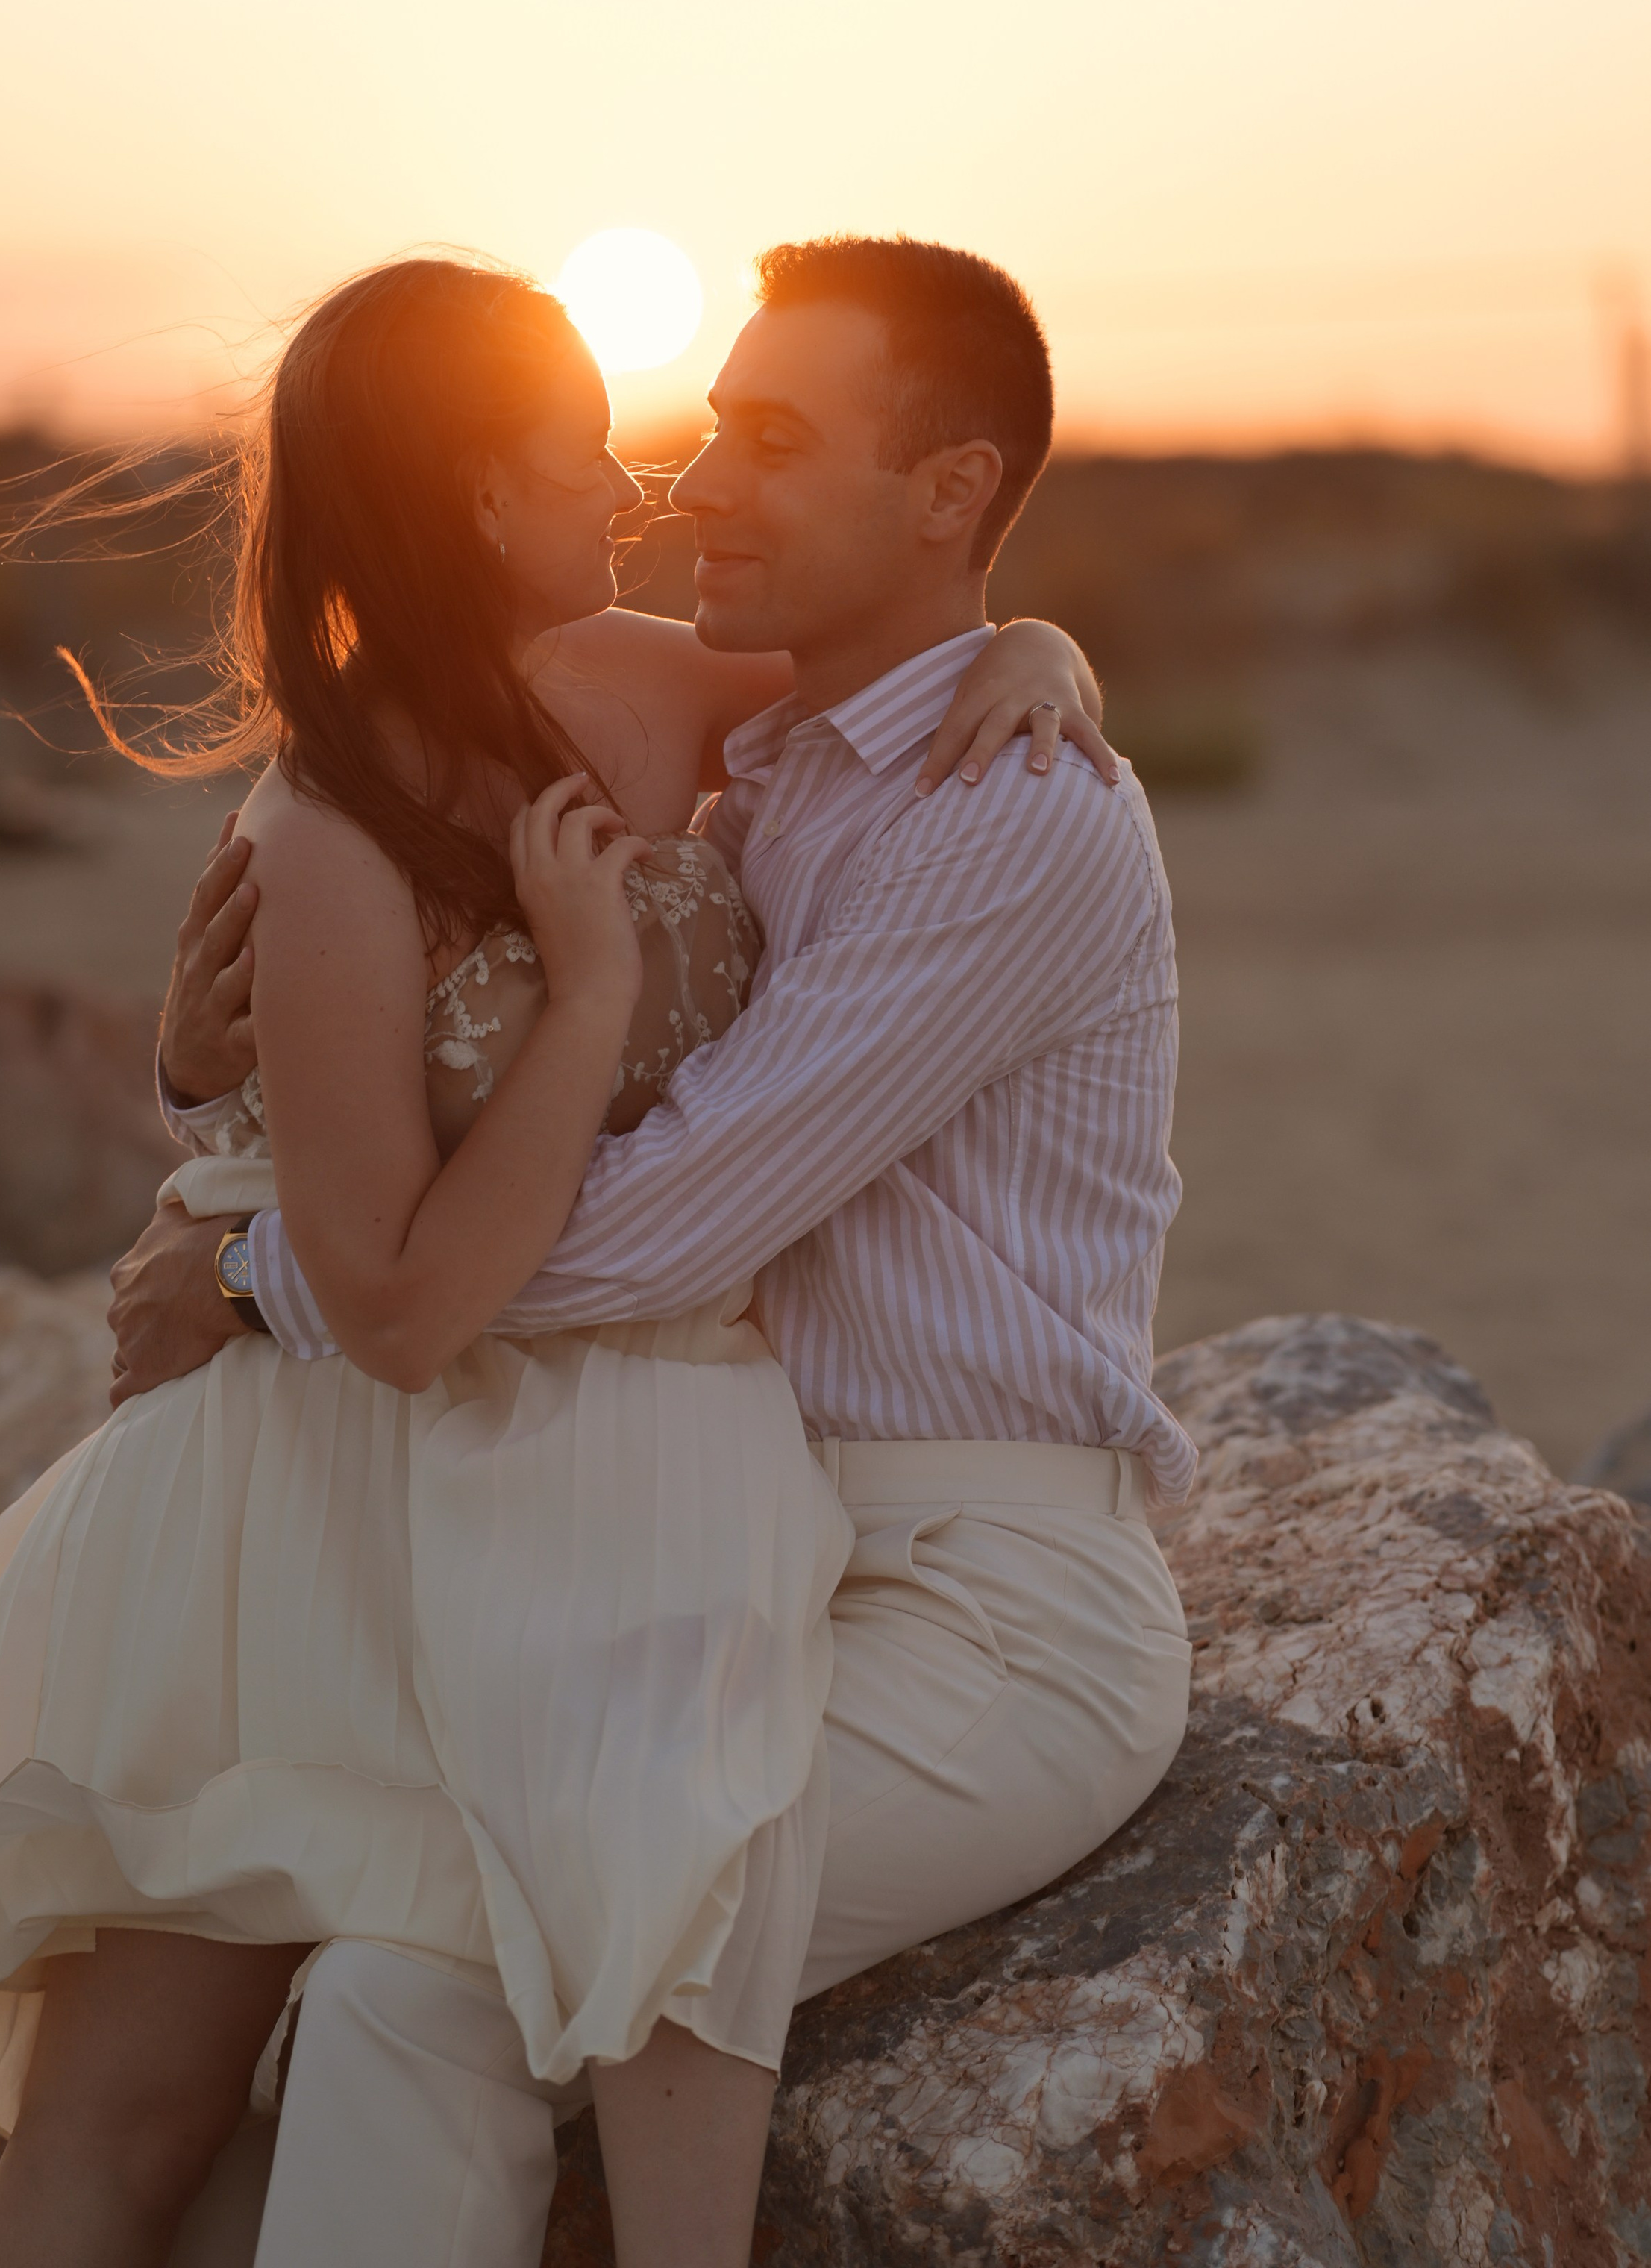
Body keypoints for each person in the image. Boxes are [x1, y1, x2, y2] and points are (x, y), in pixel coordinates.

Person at [0, 249, 1100, 2268]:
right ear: (479, 493)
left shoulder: (651, 679)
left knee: (434, 1969)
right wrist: (546, 1016)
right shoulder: (333, 815)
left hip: (548, 1486)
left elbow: (895, 662)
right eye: (580, 453)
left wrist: (1052, 646)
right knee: (135, 2108)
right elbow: (376, 1280)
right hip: (302, 1499)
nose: (636, 491)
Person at [116, 233, 1196, 2268]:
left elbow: (662, 1218)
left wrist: (271, 1293)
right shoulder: (740, 763)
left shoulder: (1015, 817)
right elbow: (404, 1035)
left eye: (772, 442)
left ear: (950, 492)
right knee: (364, 1965)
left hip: (990, 1612)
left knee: (430, 1967)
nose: (696, 483)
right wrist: (206, 1113)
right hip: (722, 1565)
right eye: (704, 428)